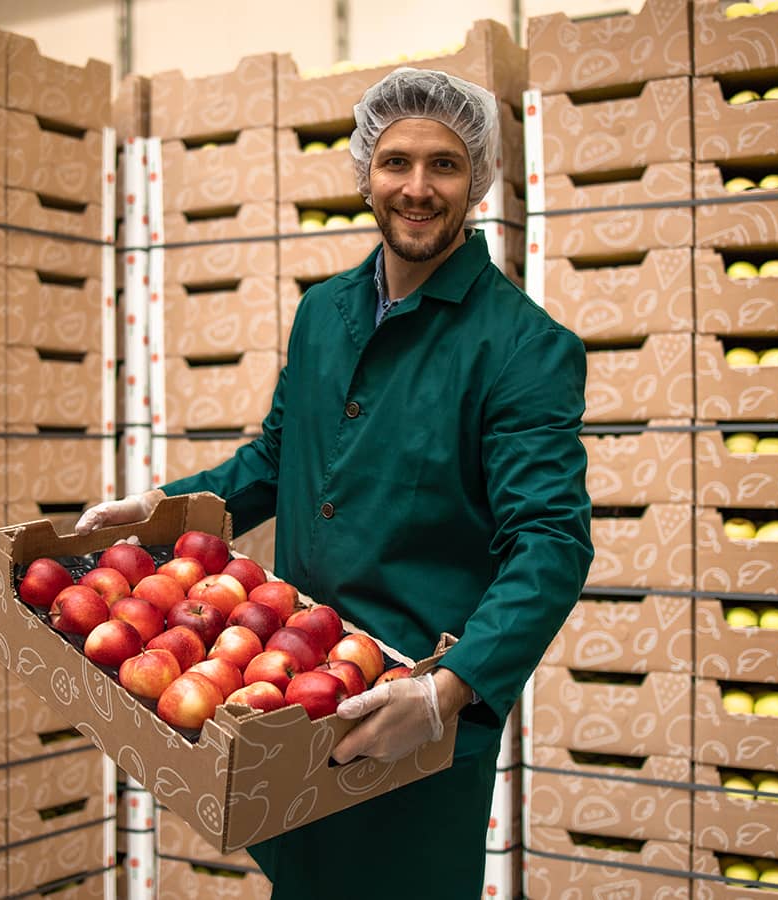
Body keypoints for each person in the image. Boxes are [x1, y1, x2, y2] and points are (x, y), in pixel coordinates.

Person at [75, 67, 593, 898]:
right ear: (365, 172)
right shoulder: (324, 313)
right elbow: (275, 462)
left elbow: (550, 542)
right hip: (286, 689)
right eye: (395, 163)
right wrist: (159, 509)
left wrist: (447, 691)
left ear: (479, 179)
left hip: (408, 714)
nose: (417, 188)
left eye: (445, 165)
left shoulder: (523, 347)